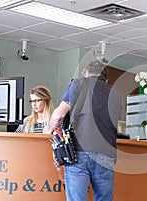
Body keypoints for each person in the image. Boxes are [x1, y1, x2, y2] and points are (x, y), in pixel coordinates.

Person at [48, 60, 123, 201]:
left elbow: (59, 114)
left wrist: (50, 129)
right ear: (106, 79)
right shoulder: (117, 95)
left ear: (87, 73)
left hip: (78, 153)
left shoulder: (78, 84)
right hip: (106, 154)